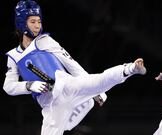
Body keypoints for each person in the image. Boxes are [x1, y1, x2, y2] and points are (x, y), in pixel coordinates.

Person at [3, 0, 147, 135]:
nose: (37, 25)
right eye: (32, 21)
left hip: (67, 85)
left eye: (39, 21)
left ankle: (130, 68)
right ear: (22, 23)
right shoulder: (13, 57)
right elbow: (8, 87)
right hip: (52, 105)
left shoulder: (45, 40)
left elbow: (71, 64)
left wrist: (96, 90)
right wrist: (29, 85)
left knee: (99, 81)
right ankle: (84, 103)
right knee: (62, 127)